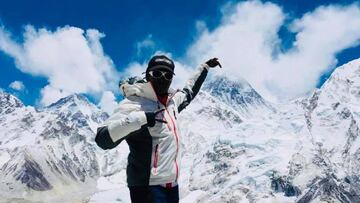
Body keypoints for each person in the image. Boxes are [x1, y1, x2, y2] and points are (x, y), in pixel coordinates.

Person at [95, 55, 222, 203]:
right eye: (157, 73)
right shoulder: (133, 103)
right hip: (146, 187)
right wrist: (137, 119)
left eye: (168, 75)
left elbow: (189, 90)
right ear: (148, 74)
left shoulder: (172, 102)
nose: (163, 78)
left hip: (172, 185)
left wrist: (204, 67)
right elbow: (102, 139)